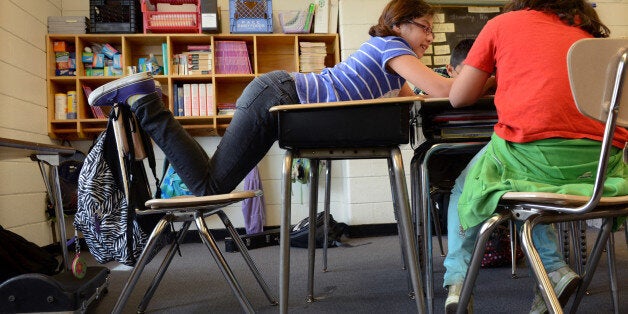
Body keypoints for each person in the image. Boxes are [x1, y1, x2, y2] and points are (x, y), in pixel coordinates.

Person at [87, 0, 454, 198]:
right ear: (398, 24)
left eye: (433, 32)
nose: (429, 37)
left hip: (277, 97)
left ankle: (148, 102)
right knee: (209, 186)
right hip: (275, 96)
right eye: (425, 28)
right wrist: (478, 80)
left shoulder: (393, 61)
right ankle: (147, 103)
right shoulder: (391, 45)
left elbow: (415, 97)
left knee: (212, 183)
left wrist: (450, 83)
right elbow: (442, 91)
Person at [442, 1, 628, 313]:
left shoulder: (504, 23)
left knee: (470, 184)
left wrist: (494, 76)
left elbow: (458, 97)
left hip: (535, 160)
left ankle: (457, 282)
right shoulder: (588, 29)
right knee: (523, 178)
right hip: (602, 165)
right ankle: (553, 272)